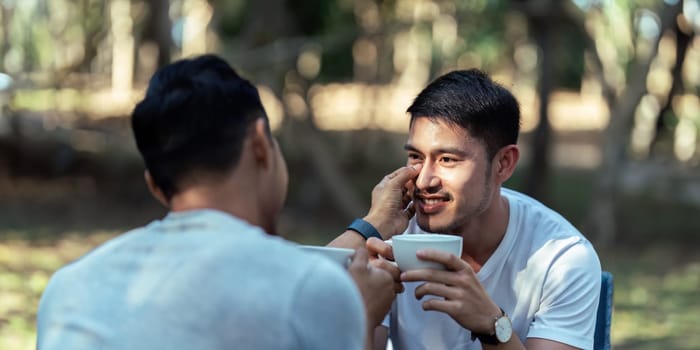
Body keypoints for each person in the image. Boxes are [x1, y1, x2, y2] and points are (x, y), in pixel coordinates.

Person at [36, 54, 401, 350]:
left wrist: (371, 223)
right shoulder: (312, 294)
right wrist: (361, 317)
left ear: (155, 185)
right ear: (260, 144)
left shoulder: (68, 289)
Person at [330, 69, 602, 350]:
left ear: (503, 164)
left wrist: (492, 326)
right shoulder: (391, 237)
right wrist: (370, 226)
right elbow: (298, 306)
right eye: (415, 156)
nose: (424, 180)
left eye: (447, 159)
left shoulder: (562, 259)